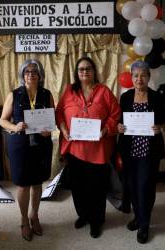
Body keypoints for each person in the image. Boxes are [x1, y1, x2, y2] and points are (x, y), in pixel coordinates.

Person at [56, 57, 120, 238]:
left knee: (97, 188)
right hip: (75, 149)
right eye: (81, 69)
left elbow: (116, 114)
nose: (85, 72)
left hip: (98, 149)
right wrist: (63, 129)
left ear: (94, 71)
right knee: (78, 187)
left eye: (88, 69)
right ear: (77, 73)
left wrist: (106, 129)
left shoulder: (104, 91)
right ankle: (83, 215)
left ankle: (97, 220)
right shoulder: (69, 91)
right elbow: (59, 112)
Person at [0, 59, 54, 241]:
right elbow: (2, 120)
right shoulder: (14, 94)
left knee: (38, 183)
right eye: (27, 71)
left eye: (34, 71)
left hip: (41, 144)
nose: (30, 74)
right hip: (20, 145)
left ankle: (34, 215)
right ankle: (24, 220)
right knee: (23, 185)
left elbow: (50, 121)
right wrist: (15, 127)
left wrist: (48, 130)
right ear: (23, 75)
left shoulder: (47, 94)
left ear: (40, 75)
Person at [117, 60, 165, 244]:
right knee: (132, 187)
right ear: (131, 78)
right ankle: (138, 217)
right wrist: (119, 127)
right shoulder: (125, 97)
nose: (139, 79)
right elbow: (119, 121)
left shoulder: (157, 98)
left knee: (146, 188)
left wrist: (159, 127)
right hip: (129, 150)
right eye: (135, 75)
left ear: (148, 77)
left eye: (143, 75)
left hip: (149, 151)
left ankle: (144, 225)